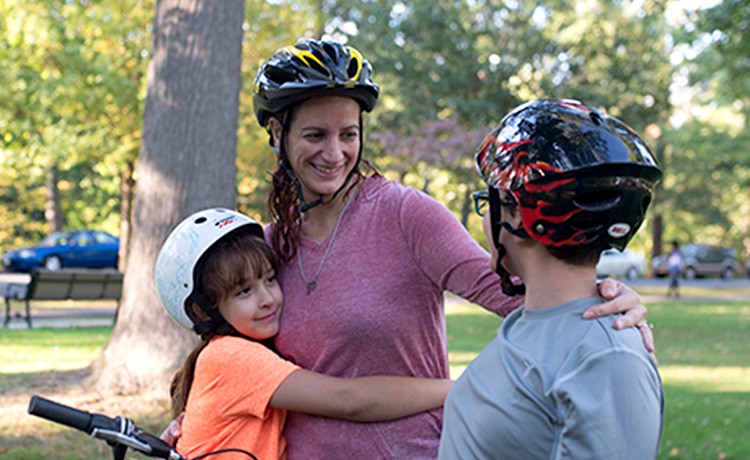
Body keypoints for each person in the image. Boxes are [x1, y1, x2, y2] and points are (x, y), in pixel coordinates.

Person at [164, 38, 654, 458]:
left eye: (348, 135)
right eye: (315, 135)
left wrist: (606, 300)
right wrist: (197, 420)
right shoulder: (269, 250)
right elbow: (243, 364)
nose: (334, 153)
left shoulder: (406, 215)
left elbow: (520, 292)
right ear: (278, 133)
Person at [438, 99, 665, 459]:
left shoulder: (607, 359)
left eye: (491, 201)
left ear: (518, 218)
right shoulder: (532, 324)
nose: (484, 221)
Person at [154, 207, 452, 460]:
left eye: (269, 279)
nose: (268, 298)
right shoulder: (230, 356)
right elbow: (348, 400)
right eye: (244, 291)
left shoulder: (239, 354)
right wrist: (452, 390)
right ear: (204, 312)